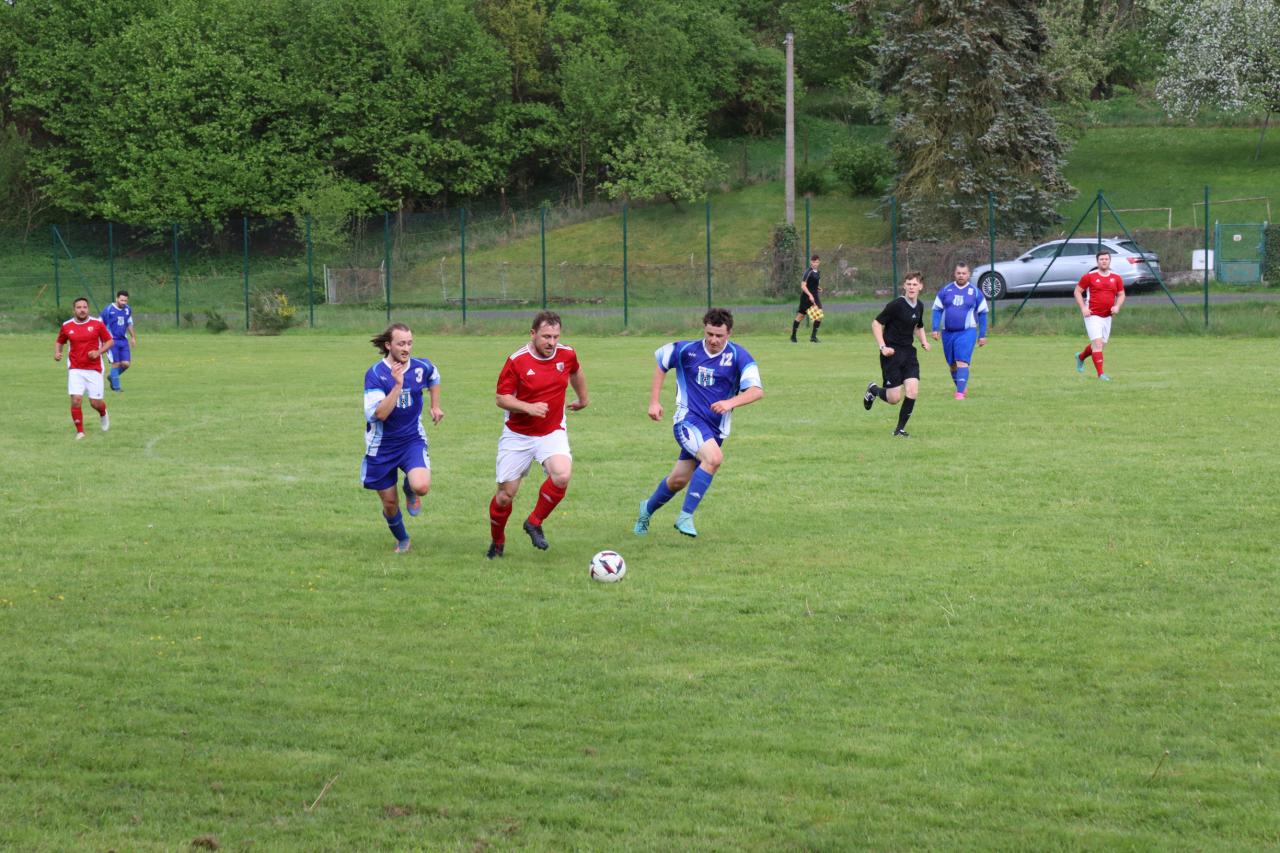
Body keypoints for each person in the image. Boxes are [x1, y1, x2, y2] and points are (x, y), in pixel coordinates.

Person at [635, 307, 763, 538]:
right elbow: (661, 363)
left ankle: (646, 510)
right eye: (709, 334)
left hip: (715, 430)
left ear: (729, 333)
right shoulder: (686, 350)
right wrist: (654, 401)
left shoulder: (739, 356)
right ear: (704, 329)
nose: (713, 340)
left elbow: (756, 391)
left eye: (719, 335)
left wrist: (730, 402)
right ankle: (685, 517)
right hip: (687, 420)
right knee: (713, 459)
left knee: (677, 481)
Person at [486, 311, 588, 559]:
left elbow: (575, 372)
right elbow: (501, 398)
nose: (551, 342)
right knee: (504, 497)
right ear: (533, 334)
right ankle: (497, 543)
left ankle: (534, 522)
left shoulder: (567, 354)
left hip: (552, 431)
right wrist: (528, 407)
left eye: (555, 336)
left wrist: (583, 399)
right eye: (546, 337)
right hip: (517, 435)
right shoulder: (517, 361)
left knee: (562, 474)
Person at [362, 323, 443, 554]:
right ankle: (403, 539)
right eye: (401, 344)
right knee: (389, 503)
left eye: (409, 343)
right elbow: (380, 414)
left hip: (411, 440)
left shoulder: (420, 367)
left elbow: (434, 376)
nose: (406, 348)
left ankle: (410, 489)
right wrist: (397, 385)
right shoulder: (375, 374)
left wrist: (435, 406)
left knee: (421, 486)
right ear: (389, 345)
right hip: (382, 446)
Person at [863, 272, 931, 437]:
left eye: (915, 284)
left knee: (912, 391)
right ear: (904, 286)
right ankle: (873, 390)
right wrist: (883, 347)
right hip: (891, 354)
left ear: (920, 286)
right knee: (894, 398)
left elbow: (918, 325)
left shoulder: (920, 306)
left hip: (909, 353)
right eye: (909, 284)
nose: (911, 287)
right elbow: (876, 324)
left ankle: (899, 430)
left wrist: (924, 341)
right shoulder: (896, 305)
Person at [54, 297, 112, 440]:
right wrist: (57, 352)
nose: (82, 310)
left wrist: (98, 352)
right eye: (79, 307)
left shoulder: (97, 324)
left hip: (94, 369)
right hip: (75, 368)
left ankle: (103, 413)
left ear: (88, 309)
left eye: (84, 307)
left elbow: (109, 341)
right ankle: (80, 432)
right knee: (76, 399)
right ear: (74, 310)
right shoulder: (67, 325)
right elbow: (59, 341)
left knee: (95, 403)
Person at [930, 263, 988, 399]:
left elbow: (983, 313)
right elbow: (937, 309)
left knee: (962, 360)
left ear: (968, 275)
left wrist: (982, 335)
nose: (961, 275)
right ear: (954, 274)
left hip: (967, 332)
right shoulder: (945, 290)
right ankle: (961, 386)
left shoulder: (975, 292)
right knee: (952, 365)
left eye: (964, 273)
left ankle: (959, 394)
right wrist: (935, 328)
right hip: (947, 333)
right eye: (959, 273)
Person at [1073, 250, 1125, 381]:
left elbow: (1121, 294)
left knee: (1100, 345)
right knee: (1097, 344)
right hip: (1092, 315)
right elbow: (1077, 291)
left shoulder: (1116, 277)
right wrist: (1083, 308)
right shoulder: (1089, 276)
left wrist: (1117, 306)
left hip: (1107, 316)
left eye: (1106, 259)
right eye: (1101, 259)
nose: (1104, 261)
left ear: (1110, 261)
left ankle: (1080, 357)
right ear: (1097, 261)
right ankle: (1101, 374)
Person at [99, 290, 137, 392]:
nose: (123, 302)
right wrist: (101, 340)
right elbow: (99, 324)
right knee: (115, 363)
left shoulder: (127, 309)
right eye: (121, 300)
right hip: (111, 341)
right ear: (116, 299)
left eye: (125, 300)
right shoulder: (108, 310)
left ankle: (112, 376)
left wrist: (133, 337)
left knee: (126, 364)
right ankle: (117, 388)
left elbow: (129, 323)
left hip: (123, 340)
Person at [791, 254, 823, 343]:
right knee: (801, 316)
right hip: (806, 297)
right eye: (814, 262)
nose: (815, 264)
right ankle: (793, 336)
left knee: (819, 315)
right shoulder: (808, 272)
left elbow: (812, 284)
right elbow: (803, 285)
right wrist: (810, 295)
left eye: (817, 262)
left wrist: (818, 288)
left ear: (819, 262)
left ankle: (813, 337)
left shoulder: (818, 272)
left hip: (815, 297)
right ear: (811, 262)